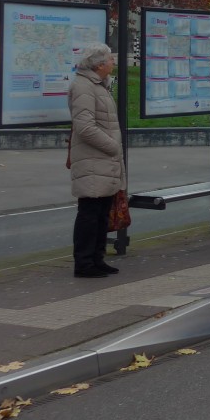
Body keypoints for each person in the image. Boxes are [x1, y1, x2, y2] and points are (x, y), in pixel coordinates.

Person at [68, 43, 126, 278]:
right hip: (94, 159)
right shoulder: (83, 87)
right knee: (90, 211)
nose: (113, 63)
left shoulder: (99, 85)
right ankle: (84, 263)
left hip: (103, 160)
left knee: (102, 211)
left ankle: (97, 258)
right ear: (100, 64)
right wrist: (112, 146)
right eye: (110, 59)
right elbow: (84, 127)